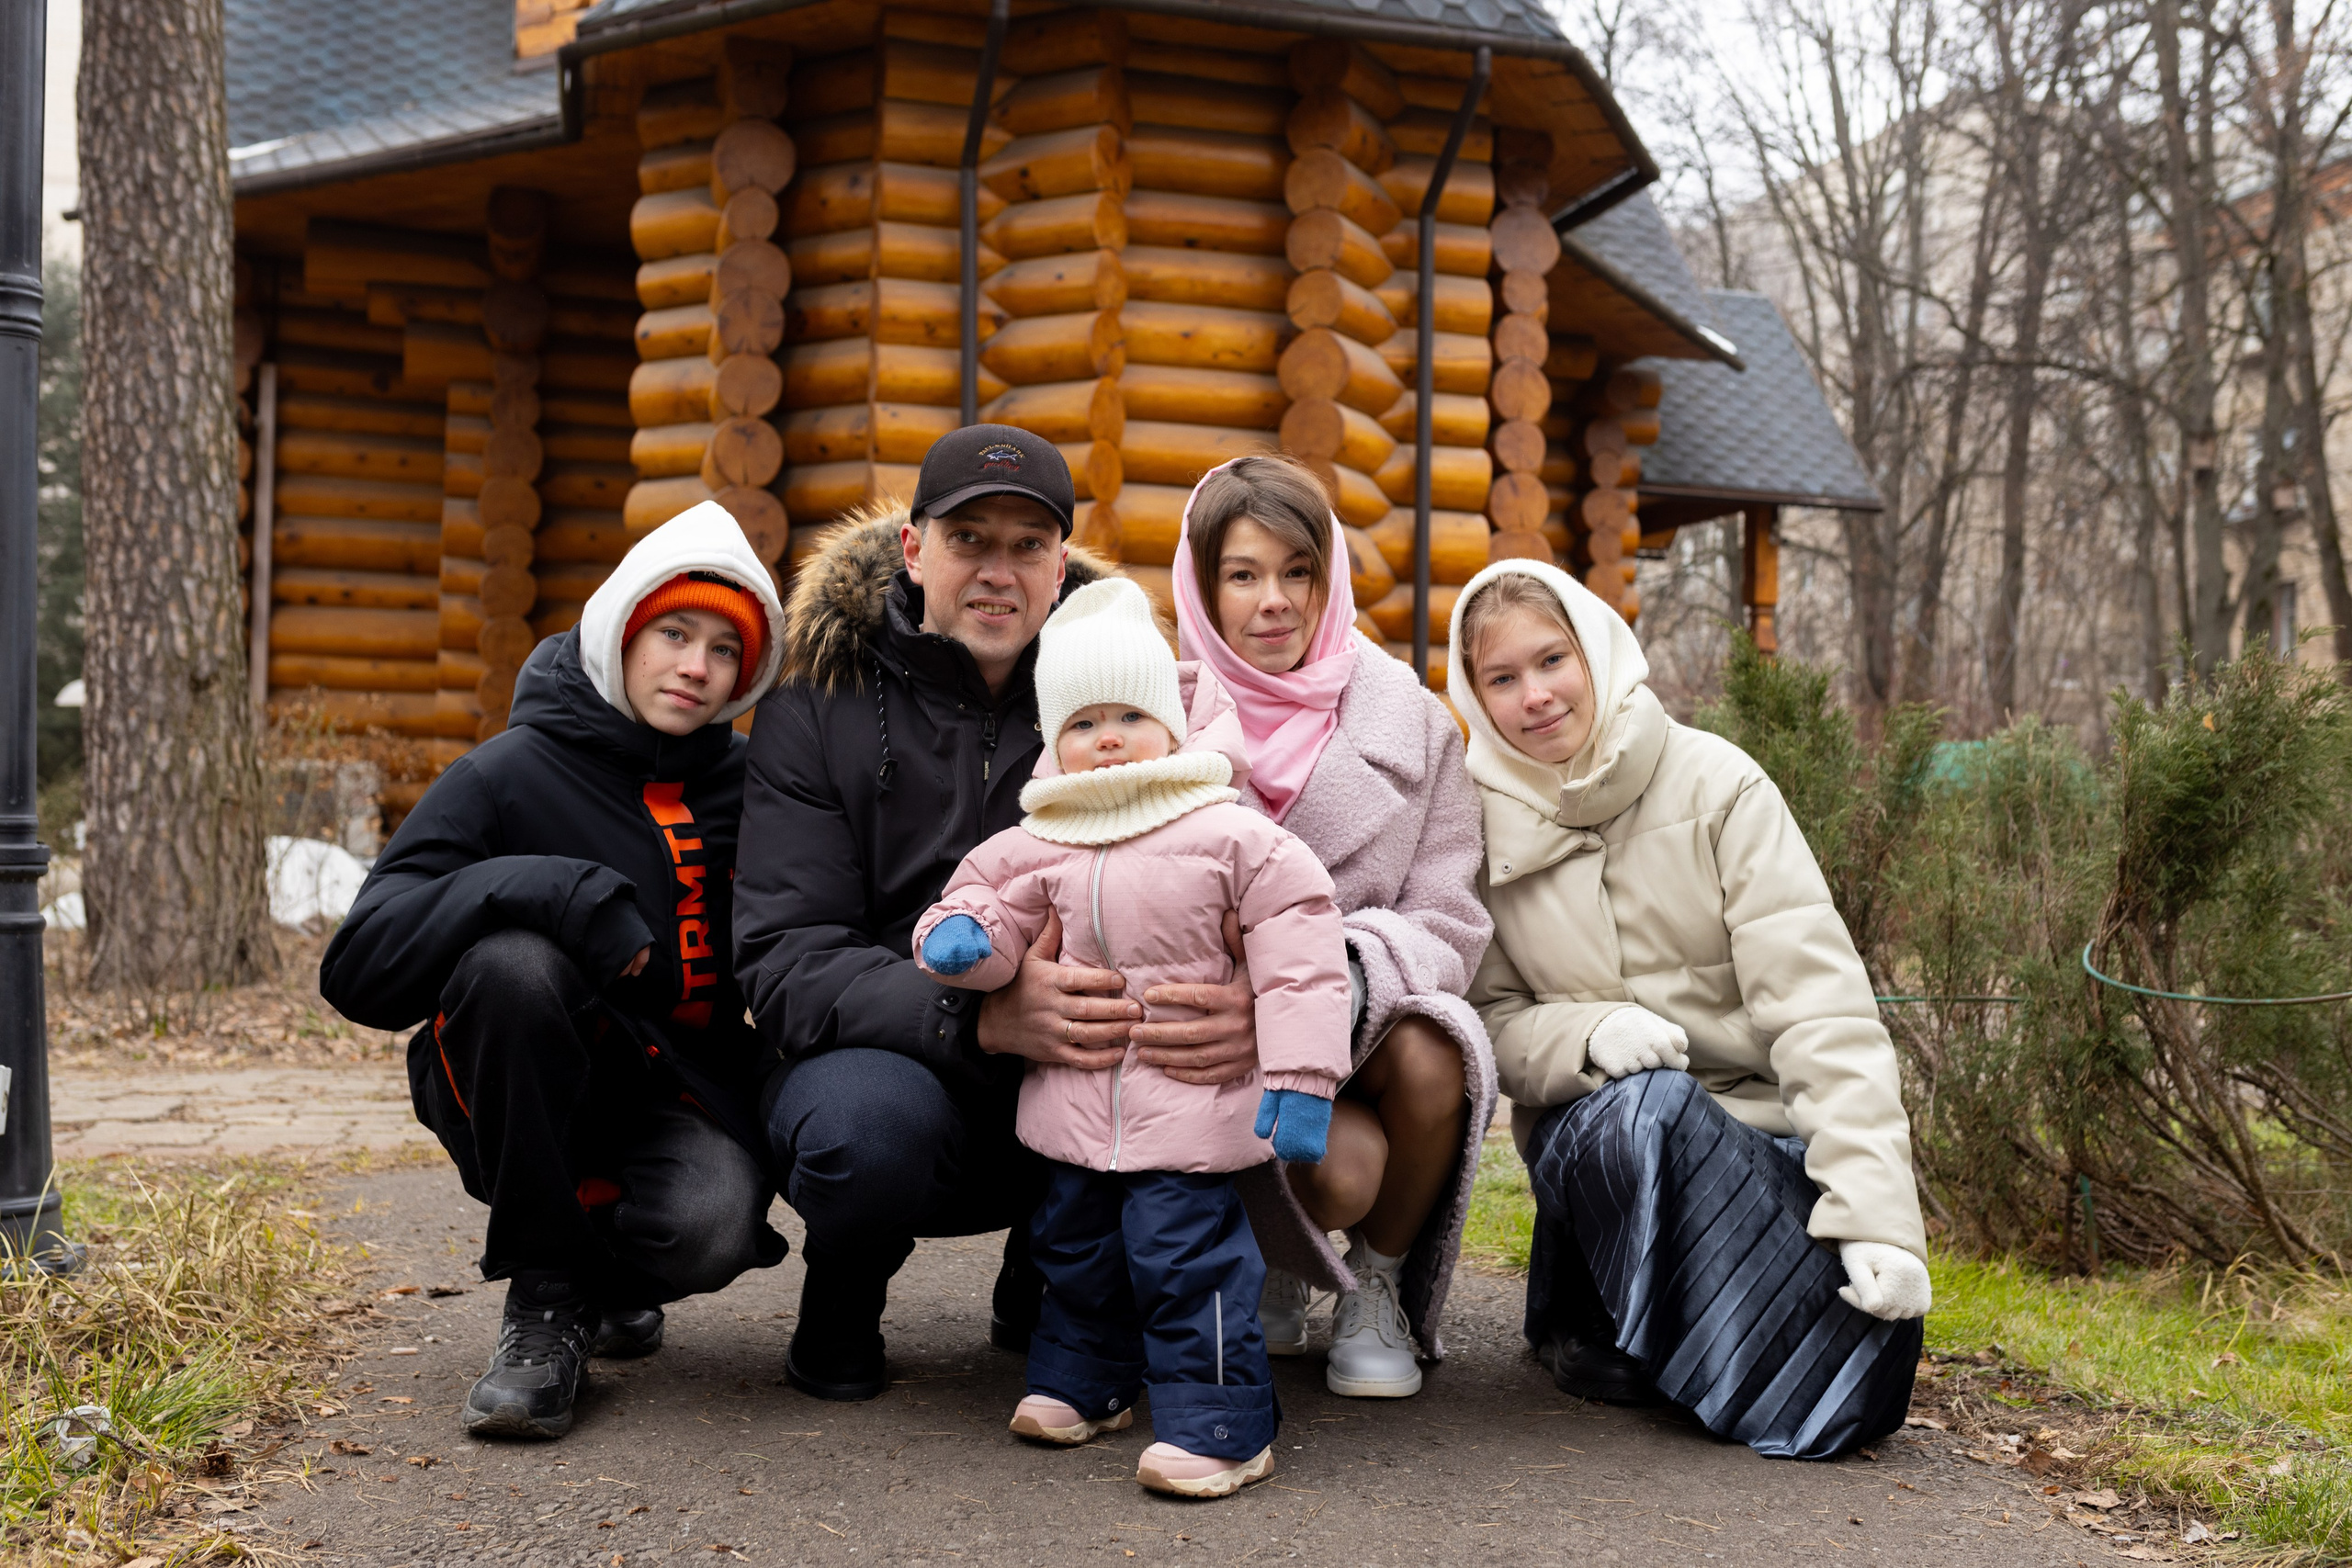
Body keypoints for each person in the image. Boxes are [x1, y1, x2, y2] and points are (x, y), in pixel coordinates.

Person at [734, 427, 1267, 1402]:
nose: (999, 570)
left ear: (1060, 564)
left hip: (1096, 1053)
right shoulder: (817, 703)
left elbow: (1222, 876)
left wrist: (1246, 1003)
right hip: (885, 1060)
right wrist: (973, 1014)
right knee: (863, 1131)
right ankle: (843, 1293)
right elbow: (785, 956)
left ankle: (1058, 1292)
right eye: (969, 539)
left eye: (1028, 545)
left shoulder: (1120, 702)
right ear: (912, 548)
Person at [319, 502, 790, 1439]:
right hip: (519, 1079)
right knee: (511, 965)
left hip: (679, 1093)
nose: (696, 667)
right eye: (674, 633)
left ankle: (604, 1281)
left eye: (724, 651)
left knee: (713, 1229)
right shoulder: (503, 775)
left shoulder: (755, 787)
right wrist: (547, 889)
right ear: (621, 631)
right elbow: (359, 967)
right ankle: (543, 1301)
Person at [1447, 558, 1930, 1461]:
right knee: (1647, 1107)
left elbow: (1819, 1010)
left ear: (1595, 651)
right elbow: (1485, 1020)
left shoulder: (1720, 786)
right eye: (1500, 678)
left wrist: (1875, 1220)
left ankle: (1667, 1341)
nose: (1535, 695)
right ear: (1472, 695)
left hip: (1756, 1141)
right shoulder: (1472, 827)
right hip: (1602, 1134)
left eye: (1551, 661)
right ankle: (1605, 1314)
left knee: (1867, 1351)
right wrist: (1587, 1033)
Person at [912, 577, 1351, 1497]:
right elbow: (980, 901)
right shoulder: (1041, 838)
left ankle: (1223, 1426)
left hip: (1187, 1114)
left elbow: (1300, 947)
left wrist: (1303, 1075)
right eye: (1080, 723)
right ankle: (1085, 1383)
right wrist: (967, 944)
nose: (1104, 737)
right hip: (1074, 1111)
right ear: (1053, 741)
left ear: (1171, 724)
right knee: (1071, 1255)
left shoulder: (1232, 836)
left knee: (1184, 1262)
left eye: (1126, 715)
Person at [1170, 456, 1496, 1398]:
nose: (1273, 602)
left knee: (1440, 1048)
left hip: (1355, 1027)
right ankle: (1258, 1263)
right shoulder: (1154, 714)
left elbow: (1448, 918)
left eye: (1296, 572)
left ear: (1330, 578)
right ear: (1202, 583)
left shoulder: (1411, 724)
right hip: (1203, 1034)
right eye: (1242, 574)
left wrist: (1338, 971)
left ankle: (1376, 1285)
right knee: (1330, 1168)